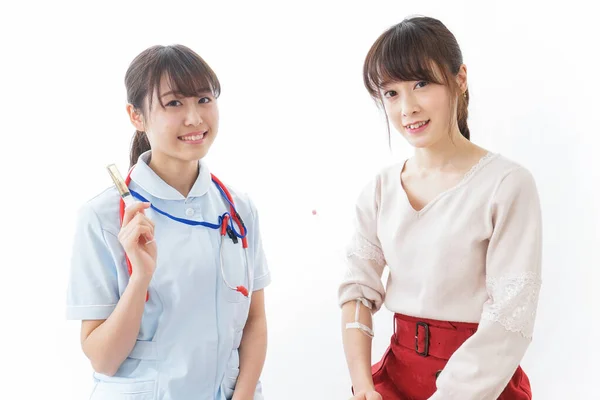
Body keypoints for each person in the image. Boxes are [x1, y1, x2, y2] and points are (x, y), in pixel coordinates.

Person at [339, 16, 542, 400]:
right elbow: (357, 291)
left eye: (421, 84)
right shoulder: (380, 189)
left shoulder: (506, 183)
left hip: (482, 383)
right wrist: (363, 386)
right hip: (395, 379)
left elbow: (510, 318)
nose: (407, 108)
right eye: (391, 93)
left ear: (460, 78)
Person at [65, 44, 271, 400]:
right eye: (174, 103)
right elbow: (102, 358)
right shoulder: (102, 217)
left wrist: (245, 394)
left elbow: (254, 321)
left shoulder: (239, 208)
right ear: (137, 116)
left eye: (204, 100)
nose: (194, 118)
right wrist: (140, 278)